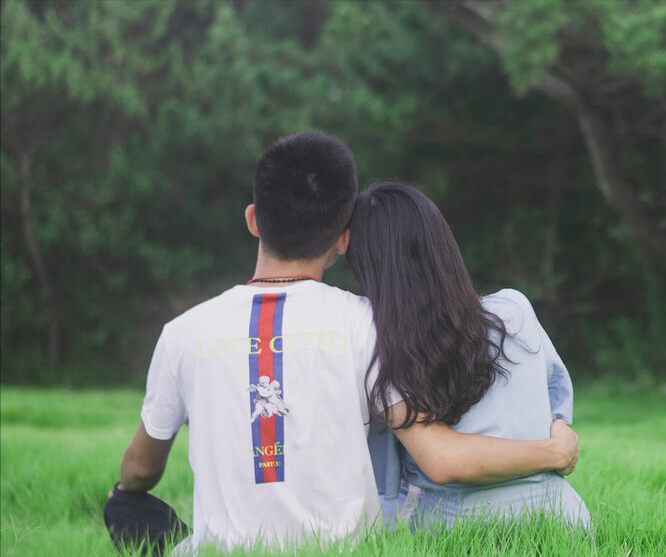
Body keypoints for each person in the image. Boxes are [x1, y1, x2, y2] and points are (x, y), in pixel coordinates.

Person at [106, 132, 581, 555]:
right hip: (348, 547)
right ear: (342, 239)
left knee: (125, 507)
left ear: (253, 220)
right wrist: (553, 451)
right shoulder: (368, 324)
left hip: (220, 550)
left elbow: (140, 470)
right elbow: (441, 457)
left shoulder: (182, 332)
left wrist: (128, 490)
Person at [347, 181, 592, 530]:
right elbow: (557, 402)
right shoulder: (514, 309)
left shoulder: (383, 343)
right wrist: (556, 445)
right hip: (561, 518)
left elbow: (441, 462)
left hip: (454, 525)